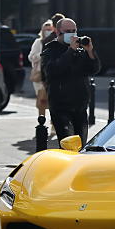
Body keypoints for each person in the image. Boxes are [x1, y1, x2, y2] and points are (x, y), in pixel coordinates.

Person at [41, 17, 101, 146]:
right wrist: (70, 51)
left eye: (74, 31)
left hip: (80, 106)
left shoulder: (80, 50)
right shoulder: (50, 50)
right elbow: (52, 71)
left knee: (81, 146)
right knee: (68, 146)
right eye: (68, 31)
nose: (72, 34)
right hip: (61, 107)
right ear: (58, 32)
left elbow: (94, 69)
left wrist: (90, 51)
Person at [28, 20, 53, 118]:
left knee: (53, 101)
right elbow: (31, 57)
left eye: (50, 30)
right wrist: (42, 55)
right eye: (46, 30)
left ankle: (53, 125)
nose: (48, 32)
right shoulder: (38, 42)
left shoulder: (56, 42)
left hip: (51, 75)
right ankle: (41, 122)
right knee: (42, 100)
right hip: (39, 75)